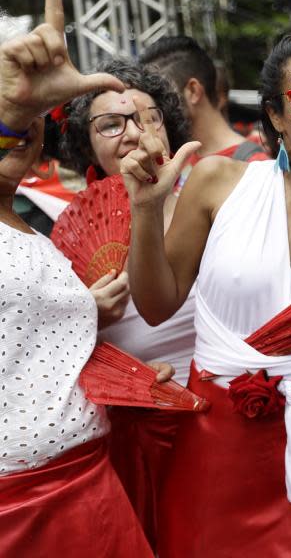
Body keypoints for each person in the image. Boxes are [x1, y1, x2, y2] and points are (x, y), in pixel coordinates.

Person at [121, 32, 291, 557]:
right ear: (276, 115)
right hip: (211, 444)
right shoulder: (219, 181)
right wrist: (147, 210)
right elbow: (156, 307)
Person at [0, 0, 167, 555]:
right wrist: (10, 105)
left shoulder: (33, 226)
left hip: (91, 481)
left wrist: (88, 321)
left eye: (31, 124)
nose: (20, 134)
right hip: (17, 508)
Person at [59, 58, 200, 546]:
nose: (134, 132)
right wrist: (83, 316)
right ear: (88, 145)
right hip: (130, 433)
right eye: (111, 123)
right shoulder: (65, 233)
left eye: (148, 116)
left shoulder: (211, 204)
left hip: (217, 410)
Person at [139, 35, 269, 162]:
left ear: (193, 91)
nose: (155, 106)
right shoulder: (175, 163)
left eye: (162, 95)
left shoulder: (254, 166)